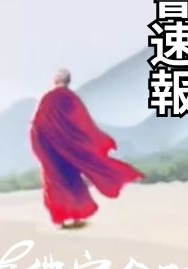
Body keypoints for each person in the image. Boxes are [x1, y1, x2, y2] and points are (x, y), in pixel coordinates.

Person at [28, 69, 143, 228]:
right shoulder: (70, 98)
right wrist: (91, 142)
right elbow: (83, 124)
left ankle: (62, 220)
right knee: (72, 181)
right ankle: (75, 218)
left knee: (56, 182)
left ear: (56, 80)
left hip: (51, 150)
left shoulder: (47, 98)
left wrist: (40, 148)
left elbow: (35, 125)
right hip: (68, 149)